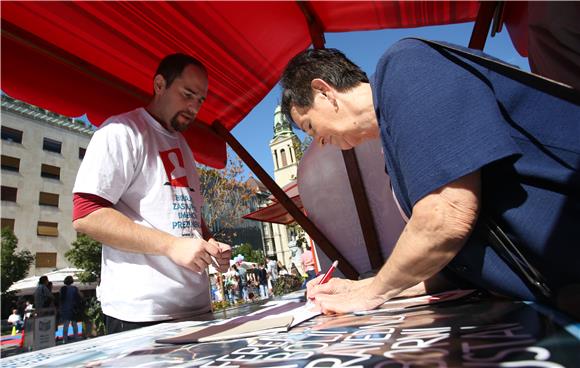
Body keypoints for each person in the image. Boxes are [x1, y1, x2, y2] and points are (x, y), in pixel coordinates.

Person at [280, 39, 580, 315]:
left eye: (309, 126)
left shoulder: (407, 66)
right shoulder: (395, 142)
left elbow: (445, 218)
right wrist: (359, 286)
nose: (317, 140)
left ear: (324, 93)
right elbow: (456, 263)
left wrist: (373, 292)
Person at [72, 53, 232, 333]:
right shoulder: (121, 132)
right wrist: (170, 245)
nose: (194, 107)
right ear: (160, 84)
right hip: (142, 314)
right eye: (188, 94)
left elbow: (188, 216)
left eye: (201, 100)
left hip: (198, 307)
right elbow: (86, 214)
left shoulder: (183, 145)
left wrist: (210, 243)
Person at [60, 276, 82, 343]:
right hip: (73, 308)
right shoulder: (75, 288)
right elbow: (80, 296)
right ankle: (76, 337)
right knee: (74, 323)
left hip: (65, 308)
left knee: (65, 324)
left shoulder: (62, 289)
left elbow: (61, 298)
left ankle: (65, 339)